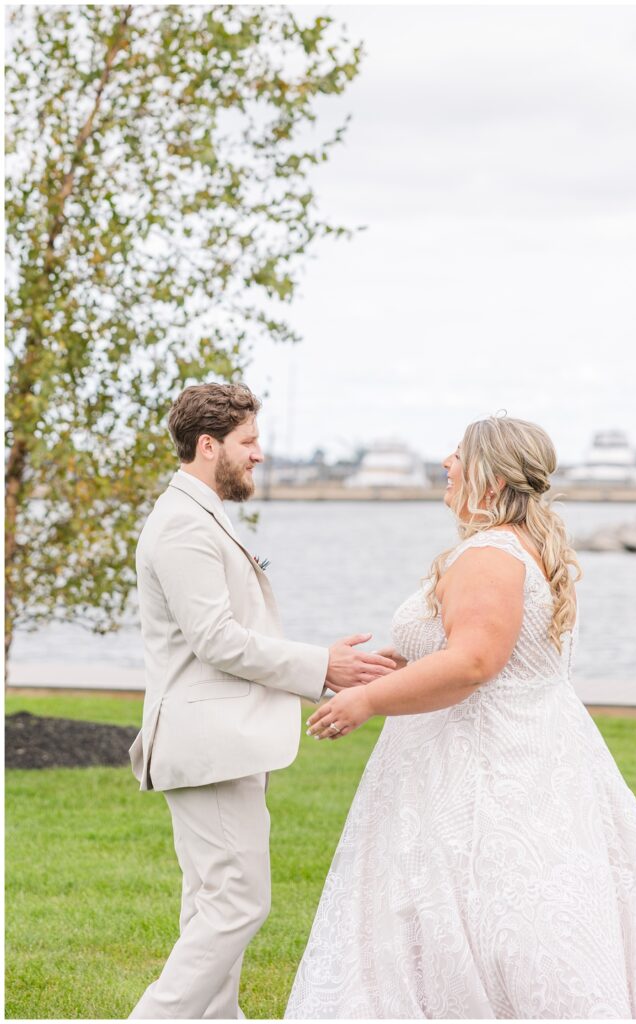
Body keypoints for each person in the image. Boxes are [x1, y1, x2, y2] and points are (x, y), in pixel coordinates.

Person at [286, 415, 636, 1020]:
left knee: (489, 909)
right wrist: (410, 664)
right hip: (533, 748)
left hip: (485, 766)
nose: (445, 461)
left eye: (458, 454)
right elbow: (486, 655)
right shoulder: (522, 546)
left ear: (491, 480)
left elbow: (474, 662)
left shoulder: (490, 554)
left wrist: (365, 700)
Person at [128, 381, 395, 1019]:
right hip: (208, 746)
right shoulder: (183, 526)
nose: (259, 455)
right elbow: (217, 640)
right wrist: (322, 665)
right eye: (249, 442)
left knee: (212, 906)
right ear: (208, 444)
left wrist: (320, 661)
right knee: (237, 906)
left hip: (218, 743)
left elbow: (228, 636)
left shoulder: (199, 515)